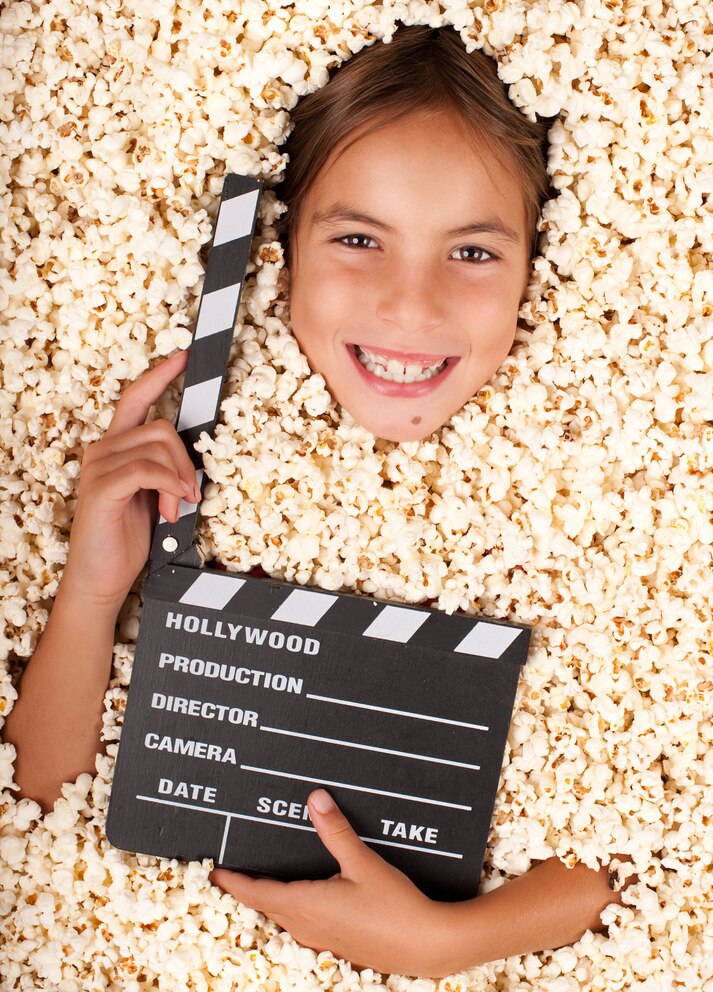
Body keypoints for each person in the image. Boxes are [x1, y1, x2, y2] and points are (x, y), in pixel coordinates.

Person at [2, 24, 635, 979]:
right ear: (280, 249)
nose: (410, 306)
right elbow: (34, 834)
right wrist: (92, 596)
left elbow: (651, 844)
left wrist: (451, 942)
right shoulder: (187, 455)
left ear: (534, 272)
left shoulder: (612, 492)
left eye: (472, 252)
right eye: (357, 239)